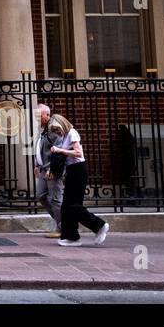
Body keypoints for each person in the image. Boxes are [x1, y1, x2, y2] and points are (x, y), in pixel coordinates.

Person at [49, 115, 109, 247]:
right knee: (66, 206)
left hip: (78, 170)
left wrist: (60, 150)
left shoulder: (72, 133)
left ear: (62, 124)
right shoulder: (64, 136)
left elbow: (78, 153)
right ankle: (71, 237)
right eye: (54, 130)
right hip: (72, 170)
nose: (56, 132)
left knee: (73, 205)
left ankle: (99, 225)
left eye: (56, 129)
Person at [33, 104, 63, 238]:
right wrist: (37, 164)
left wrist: (52, 168)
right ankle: (61, 222)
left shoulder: (53, 129)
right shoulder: (44, 129)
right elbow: (41, 147)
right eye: (36, 116)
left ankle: (62, 226)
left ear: (47, 115)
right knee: (41, 195)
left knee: (56, 199)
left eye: (39, 116)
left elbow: (59, 151)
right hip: (43, 168)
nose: (37, 119)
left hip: (51, 169)